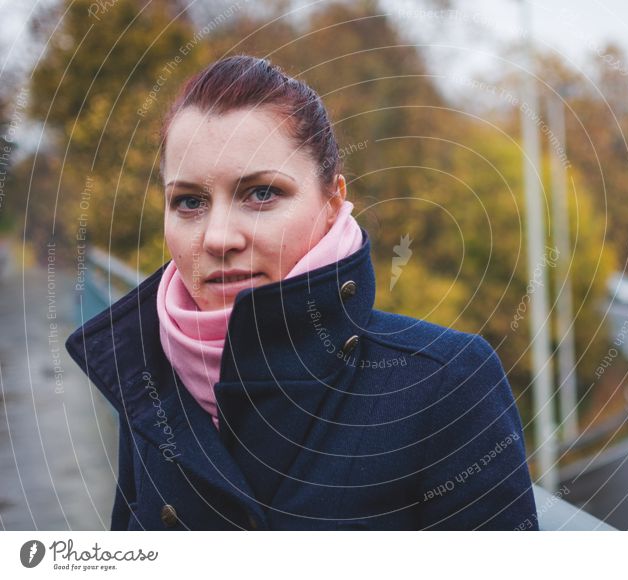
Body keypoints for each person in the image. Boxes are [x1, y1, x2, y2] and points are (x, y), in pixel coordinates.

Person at [65, 55, 538, 531]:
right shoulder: (150, 367)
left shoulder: (445, 383)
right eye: (189, 202)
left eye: (261, 194)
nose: (218, 237)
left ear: (332, 203)